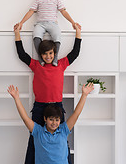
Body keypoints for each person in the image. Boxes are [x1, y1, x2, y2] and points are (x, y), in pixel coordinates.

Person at [14, 23, 81, 164]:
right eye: (45, 54)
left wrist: (78, 33)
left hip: (57, 106)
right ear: (41, 54)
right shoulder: (36, 65)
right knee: (34, 140)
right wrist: (17, 34)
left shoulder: (61, 64)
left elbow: (75, 53)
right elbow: (22, 55)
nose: (48, 56)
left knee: (62, 139)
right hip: (39, 107)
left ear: (54, 53)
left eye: (50, 53)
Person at [7, 82, 94, 164]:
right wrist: (16, 98)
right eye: (51, 119)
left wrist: (84, 95)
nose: (54, 123)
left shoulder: (63, 130)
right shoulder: (38, 132)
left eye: (57, 120)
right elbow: (25, 118)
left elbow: (76, 114)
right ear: (45, 118)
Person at [15, 0, 81, 66]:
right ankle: (40, 57)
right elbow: (30, 12)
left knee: (57, 35)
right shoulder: (38, 0)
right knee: (36, 35)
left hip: (53, 24)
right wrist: (21, 22)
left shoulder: (56, 0)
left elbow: (63, 12)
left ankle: (55, 57)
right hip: (40, 24)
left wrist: (73, 22)